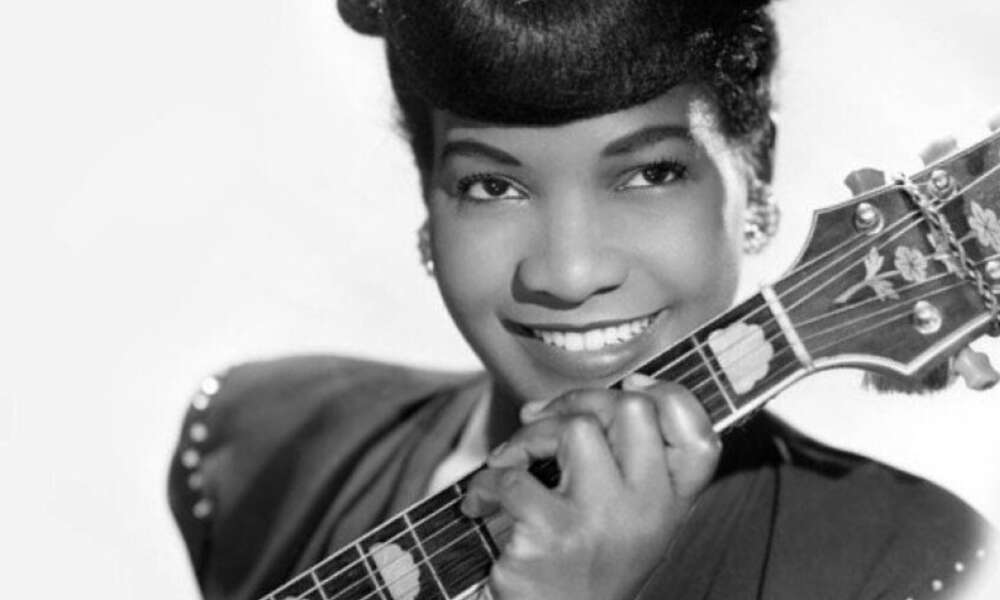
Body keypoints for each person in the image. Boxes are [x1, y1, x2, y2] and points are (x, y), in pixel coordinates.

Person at [168, 1, 993, 598]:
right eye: (491, 186)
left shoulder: (914, 566)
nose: (567, 274)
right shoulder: (260, 447)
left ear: (755, 170)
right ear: (428, 195)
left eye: (651, 173)